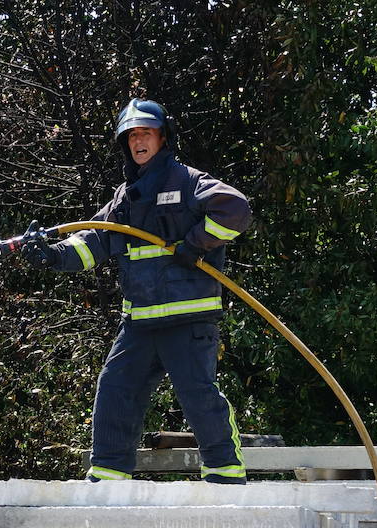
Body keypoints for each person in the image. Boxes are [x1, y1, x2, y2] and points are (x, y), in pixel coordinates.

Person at [22, 98, 253, 484]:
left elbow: (236, 209)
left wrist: (195, 243)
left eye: (145, 132)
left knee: (197, 394)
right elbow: (93, 241)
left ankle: (225, 474)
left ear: (164, 137)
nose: (137, 141)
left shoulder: (188, 181)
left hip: (188, 316)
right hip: (141, 321)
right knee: (115, 390)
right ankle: (108, 479)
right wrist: (51, 256)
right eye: (131, 135)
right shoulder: (125, 197)